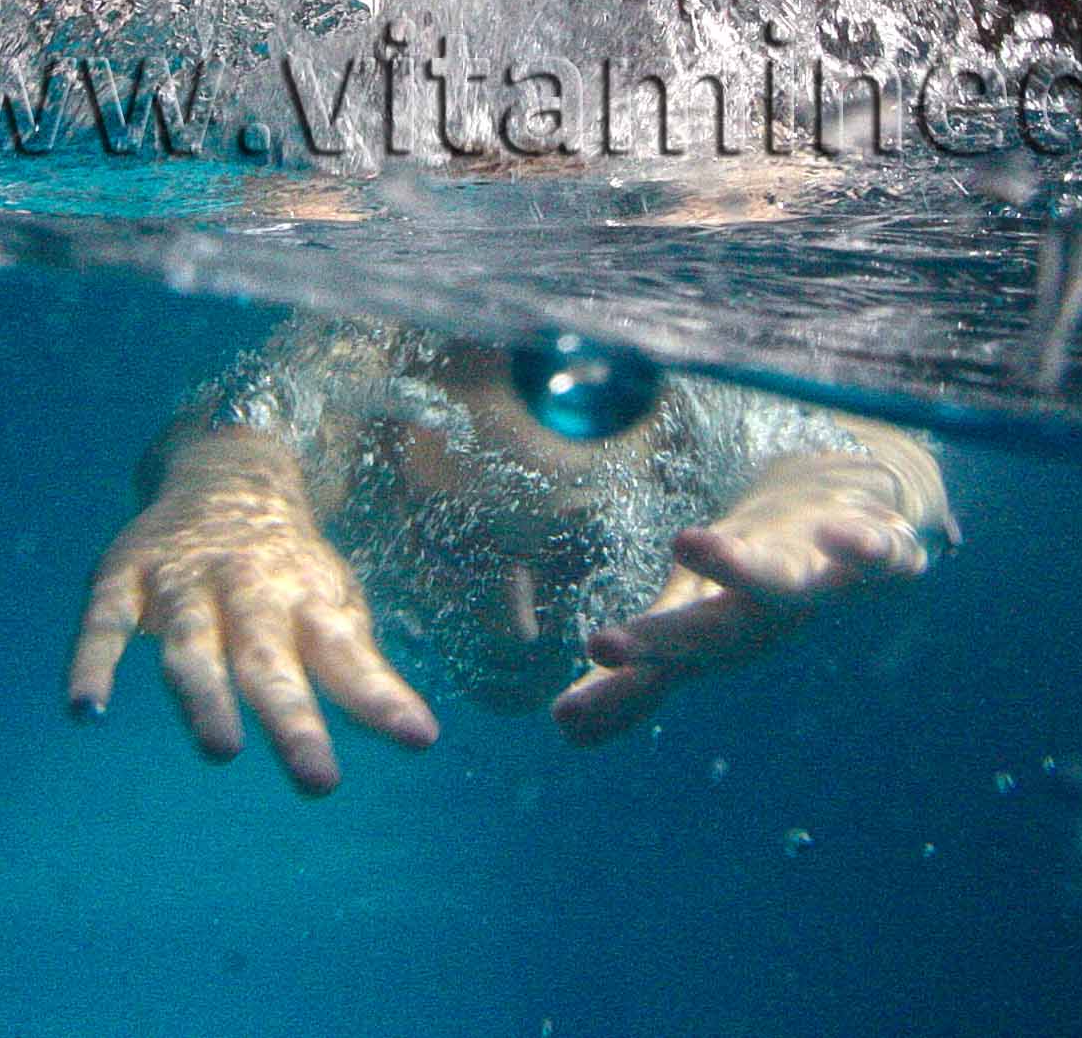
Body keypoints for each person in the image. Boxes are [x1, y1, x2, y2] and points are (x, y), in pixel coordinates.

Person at [67, 315, 958, 794]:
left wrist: (839, 496)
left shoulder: (708, 403)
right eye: (466, 545)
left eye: (577, 552)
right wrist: (228, 491)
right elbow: (264, 424)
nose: (521, 626)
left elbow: (856, 446)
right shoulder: (376, 366)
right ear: (394, 475)